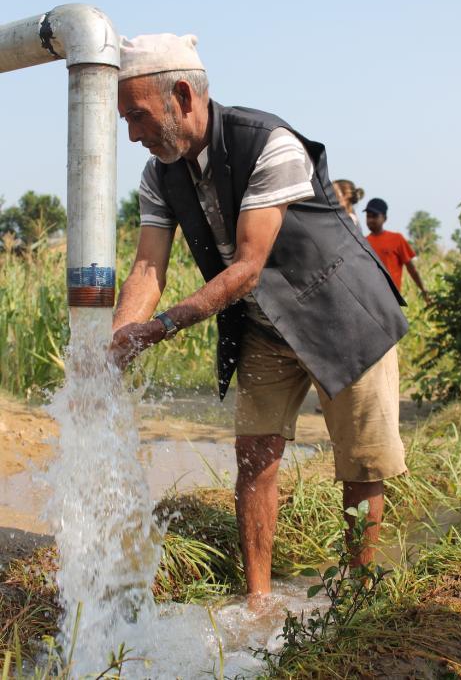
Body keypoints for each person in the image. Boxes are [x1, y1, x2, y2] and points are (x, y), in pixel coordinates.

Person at [111, 33, 409, 604]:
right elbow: (147, 269)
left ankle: (354, 596)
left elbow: (248, 266)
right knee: (255, 456)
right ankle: (258, 602)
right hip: (263, 328)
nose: (132, 134)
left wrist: (162, 328)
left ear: (182, 95)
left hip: (339, 312)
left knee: (360, 460)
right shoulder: (159, 174)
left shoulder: (269, 143)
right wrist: (120, 340)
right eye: (125, 119)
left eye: (138, 116)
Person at [364, 198, 430, 300]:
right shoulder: (363, 243)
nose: (371, 220)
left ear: (384, 218)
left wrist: (423, 289)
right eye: (368, 216)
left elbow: (411, 268)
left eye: (375, 216)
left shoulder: (397, 239)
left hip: (391, 298)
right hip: (370, 298)